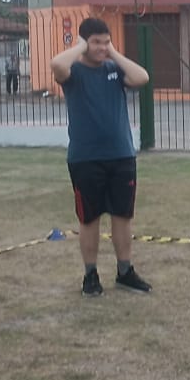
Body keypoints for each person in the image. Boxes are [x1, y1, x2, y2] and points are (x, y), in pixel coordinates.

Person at [51, 18, 151, 296]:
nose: (102, 47)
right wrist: (81, 46)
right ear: (84, 43)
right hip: (85, 159)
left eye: (105, 42)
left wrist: (113, 52)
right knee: (89, 219)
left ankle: (125, 271)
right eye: (96, 42)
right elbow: (57, 65)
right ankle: (90, 275)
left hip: (121, 156)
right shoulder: (74, 72)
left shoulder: (114, 69)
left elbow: (142, 78)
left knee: (122, 216)